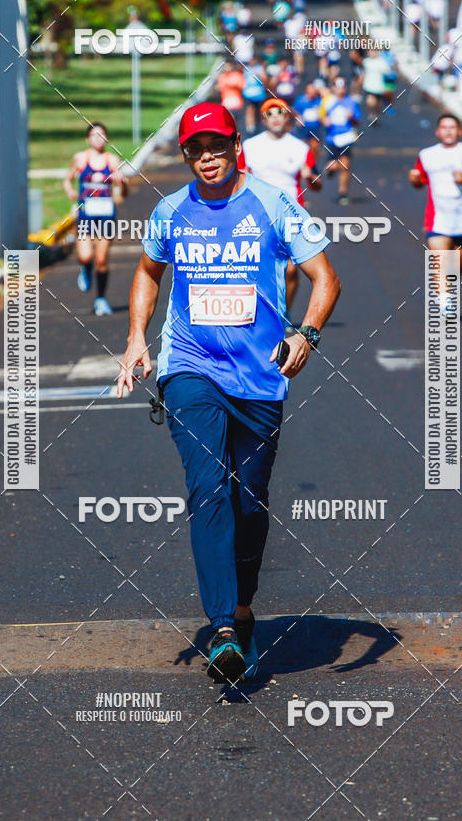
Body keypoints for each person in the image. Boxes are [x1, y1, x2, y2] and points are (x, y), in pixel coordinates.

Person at [116, 102, 340, 685]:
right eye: (196, 149)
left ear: (235, 145)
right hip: (190, 365)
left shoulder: (270, 203)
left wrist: (307, 334)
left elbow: (325, 277)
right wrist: (138, 336)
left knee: (250, 501)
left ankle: (242, 611)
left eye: (216, 146)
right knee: (208, 486)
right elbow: (147, 272)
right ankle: (221, 627)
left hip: (260, 375)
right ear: (186, 154)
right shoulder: (169, 211)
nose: (207, 157)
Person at [241, 98, 322, 315]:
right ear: (263, 118)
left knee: (291, 270)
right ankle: (256, 314)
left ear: (288, 117)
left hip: (291, 214)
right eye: (270, 113)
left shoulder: (301, 148)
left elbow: (316, 185)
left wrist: (310, 176)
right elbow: (238, 179)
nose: (275, 117)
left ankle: (281, 315)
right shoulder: (249, 147)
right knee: (255, 268)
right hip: (256, 214)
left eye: (280, 112)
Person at [409, 114, 462, 302]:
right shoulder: (427, 155)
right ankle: (444, 299)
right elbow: (419, 181)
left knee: (457, 266)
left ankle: (444, 290)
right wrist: (414, 179)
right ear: (438, 132)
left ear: (460, 131)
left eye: (452, 127)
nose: (448, 131)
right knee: (439, 261)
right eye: (444, 127)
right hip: (437, 220)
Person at [64, 122, 125, 315]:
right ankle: (85, 269)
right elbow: (68, 180)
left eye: (102, 135)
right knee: (85, 256)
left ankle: (101, 299)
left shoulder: (113, 160)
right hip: (85, 215)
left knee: (101, 259)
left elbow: (123, 192)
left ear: (107, 138)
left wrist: (121, 183)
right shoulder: (80, 158)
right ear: (87, 139)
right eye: (94, 135)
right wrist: (70, 191)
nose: (98, 139)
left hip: (106, 215)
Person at [320, 77, 361, 204]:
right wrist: (324, 120)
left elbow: (357, 120)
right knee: (332, 166)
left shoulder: (351, 102)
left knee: (345, 164)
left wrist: (352, 117)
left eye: (342, 86)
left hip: (347, 137)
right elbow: (321, 115)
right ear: (333, 88)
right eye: (337, 86)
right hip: (332, 138)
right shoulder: (328, 101)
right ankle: (330, 170)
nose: (340, 89)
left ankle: (343, 192)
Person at [293, 81, 323, 159]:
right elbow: (294, 110)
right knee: (303, 147)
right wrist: (298, 117)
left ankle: (313, 162)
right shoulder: (301, 100)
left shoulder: (319, 101)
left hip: (315, 129)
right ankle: (303, 162)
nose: (310, 94)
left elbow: (323, 113)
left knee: (315, 146)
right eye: (309, 91)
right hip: (303, 128)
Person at [361, 48, 391, 122]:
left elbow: (387, 72)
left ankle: (377, 114)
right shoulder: (366, 61)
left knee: (378, 103)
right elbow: (364, 72)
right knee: (370, 101)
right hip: (369, 86)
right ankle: (371, 114)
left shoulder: (382, 62)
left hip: (379, 87)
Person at [242, 57, 268, 134]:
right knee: (250, 109)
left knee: (260, 110)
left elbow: (265, 80)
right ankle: (250, 127)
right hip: (249, 94)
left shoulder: (260, 69)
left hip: (259, 94)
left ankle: (261, 126)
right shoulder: (246, 69)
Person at [216, 61, 246, 127]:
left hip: (237, 102)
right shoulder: (221, 77)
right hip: (226, 102)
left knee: (238, 123)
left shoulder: (238, 75)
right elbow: (218, 87)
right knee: (230, 121)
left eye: (228, 66)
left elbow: (242, 88)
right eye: (225, 66)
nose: (227, 68)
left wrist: (233, 86)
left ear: (232, 66)